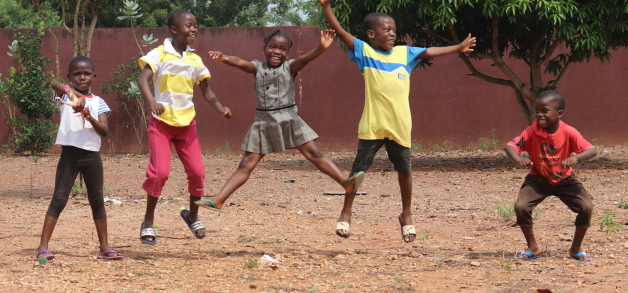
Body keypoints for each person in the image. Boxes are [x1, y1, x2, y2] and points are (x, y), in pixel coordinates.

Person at [318, 0, 476, 242]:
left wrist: (458, 47)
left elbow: (429, 51)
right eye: (387, 29)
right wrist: (327, 6)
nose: (392, 33)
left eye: (394, 29)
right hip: (372, 125)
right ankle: (346, 213)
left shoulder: (405, 53)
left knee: (405, 171)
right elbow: (340, 32)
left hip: (400, 125)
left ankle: (407, 215)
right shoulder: (365, 52)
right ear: (371, 34)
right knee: (358, 171)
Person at [194, 29, 365, 214]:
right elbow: (239, 62)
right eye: (272, 47)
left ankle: (345, 183)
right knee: (246, 165)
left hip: (289, 118)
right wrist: (224, 57)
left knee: (315, 154)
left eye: (283, 49)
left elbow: (306, 59)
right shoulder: (257, 67)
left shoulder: (290, 67)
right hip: (263, 121)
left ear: (288, 53)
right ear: (264, 48)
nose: (277, 51)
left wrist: (321, 47)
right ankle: (219, 199)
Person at [137, 10, 231, 244]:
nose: (194, 29)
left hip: (187, 124)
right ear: (174, 30)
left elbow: (206, 91)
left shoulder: (195, 60)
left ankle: (192, 215)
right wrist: (152, 102)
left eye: (195, 26)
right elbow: (143, 79)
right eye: (189, 25)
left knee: (198, 173)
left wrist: (220, 108)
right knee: (160, 173)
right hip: (161, 123)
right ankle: (148, 222)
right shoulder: (159, 54)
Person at [35, 56, 123, 261]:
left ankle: (104, 247)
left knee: (97, 200)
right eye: (76, 74)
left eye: (86, 73)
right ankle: (42, 247)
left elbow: (104, 131)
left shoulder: (99, 102)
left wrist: (87, 113)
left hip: (92, 155)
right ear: (70, 77)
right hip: (70, 155)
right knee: (59, 199)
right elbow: (54, 84)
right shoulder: (64, 97)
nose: (81, 77)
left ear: (94, 76)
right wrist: (76, 95)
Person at [505, 90, 596, 261]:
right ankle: (532, 247)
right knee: (521, 206)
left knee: (586, 207)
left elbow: (592, 150)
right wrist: (517, 158)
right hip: (538, 178)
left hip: (565, 179)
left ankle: (575, 248)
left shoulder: (569, 132)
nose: (539, 115)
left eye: (545, 111)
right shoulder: (532, 130)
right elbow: (510, 145)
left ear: (559, 113)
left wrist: (575, 157)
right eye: (537, 110)